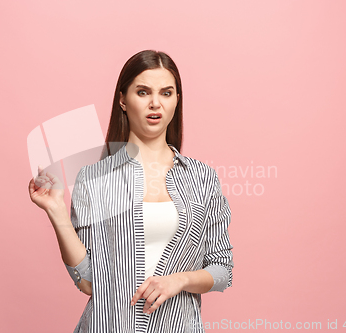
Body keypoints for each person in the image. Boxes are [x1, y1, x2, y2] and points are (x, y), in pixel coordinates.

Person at [28, 49, 233, 332]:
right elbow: (88, 282)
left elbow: (223, 269)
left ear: (176, 100)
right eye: (143, 92)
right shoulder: (94, 178)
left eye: (166, 93)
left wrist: (179, 280)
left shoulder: (202, 178)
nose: (155, 104)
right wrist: (56, 210)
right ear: (123, 100)